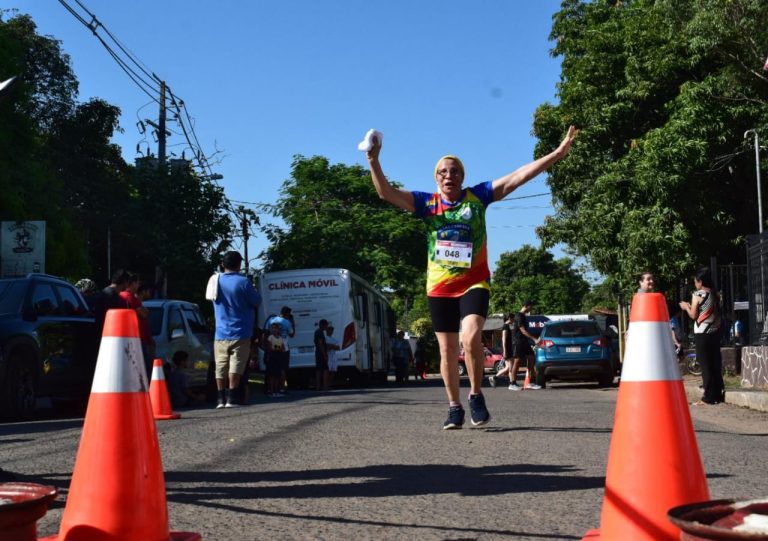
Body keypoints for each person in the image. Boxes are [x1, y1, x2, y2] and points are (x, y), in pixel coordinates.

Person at [366, 126, 577, 429]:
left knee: (472, 336)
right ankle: (454, 407)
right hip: (439, 287)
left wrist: (556, 154)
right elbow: (385, 193)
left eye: (454, 171)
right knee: (447, 350)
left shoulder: (477, 197)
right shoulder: (427, 204)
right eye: (442, 172)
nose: (448, 176)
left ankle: (476, 395)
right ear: (435, 178)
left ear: (462, 176)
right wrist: (373, 159)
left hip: (474, 281)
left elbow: (519, 176)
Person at [212, 251, 261, 408]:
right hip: (241, 331)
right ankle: (232, 398)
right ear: (239, 265)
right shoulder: (243, 282)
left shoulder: (214, 280)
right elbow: (257, 301)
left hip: (220, 332)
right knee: (236, 365)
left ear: (223, 264)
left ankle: (220, 398)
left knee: (220, 365)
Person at [680, 267, 725, 405]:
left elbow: (694, 315)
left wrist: (686, 307)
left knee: (705, 365)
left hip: (702, 333)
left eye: (695, 281)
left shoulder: (697, 294)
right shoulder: (715, 294)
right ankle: (718, 393)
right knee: (715, 363)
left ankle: (708, 397)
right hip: (715, 332)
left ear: (700, 281)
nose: (695, 283)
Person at [120, 272, 155, 373]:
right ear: (133, 283)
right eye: (137, 283)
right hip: (137, 339)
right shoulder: (130, 297)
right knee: (142, 369)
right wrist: (143, 310)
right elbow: (143, 314)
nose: (138, 285)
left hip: (135, 338)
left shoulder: (124, 296)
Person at [508, 301, 542, 391]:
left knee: (531, 357)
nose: (532, 309)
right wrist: (534, 339)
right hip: (518, 341)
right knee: (517, 361)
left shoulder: (523, 316)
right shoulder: (519, 316)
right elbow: (522, 330)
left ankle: (530, 382)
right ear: (526, 306)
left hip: (524, 341)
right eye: (531, 307)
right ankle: (512, 383)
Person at [264, 306, 295, 396]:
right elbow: (292, 334)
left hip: (271, 347)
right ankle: (281, 389)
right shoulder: (287, 322)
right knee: (282, 369)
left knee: (271, 370)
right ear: (288, 314)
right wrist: (292, 322)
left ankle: (270, 389)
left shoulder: (271, 320)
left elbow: (265, 331)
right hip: (283, 347)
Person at [92, 269, 129, 334]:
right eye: (128, 282)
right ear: (125, 282)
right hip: (108, 335)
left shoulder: (104, 292)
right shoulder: (112, 296)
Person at [489, 313, 515, 388]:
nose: (513, 320)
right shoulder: (505, 327)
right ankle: (512, 384)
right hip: (507, 349)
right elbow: (503, 339)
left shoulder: (507, 327)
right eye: (513, 318)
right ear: (509, 318)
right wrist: (505, 350)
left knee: (507, 368)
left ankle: (494, 377)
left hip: (508, 349)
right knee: (510, 368)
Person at [264, 322, 287, 397]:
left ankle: (277, 391)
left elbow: (283, 348)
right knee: (272, 375)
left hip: (279, 357)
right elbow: (270, 347)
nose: (274, 330)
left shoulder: (280, 338)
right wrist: (278, 348)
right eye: (273, 328)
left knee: (277, 375)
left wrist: (277, 347)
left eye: (276, 328)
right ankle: (271, 391)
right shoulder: (270, 337)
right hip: (272, 357)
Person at [314, 319, 329, 390]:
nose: (327, 327)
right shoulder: (319, 332)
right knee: (324, 369)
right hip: (320, 353)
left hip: (318, 352)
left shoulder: (319, 332)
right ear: (323, 325)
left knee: (319, 369)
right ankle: (324, 386)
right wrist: (325, 355)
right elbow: (320, 344)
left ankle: (318, 386)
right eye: (326, 325)